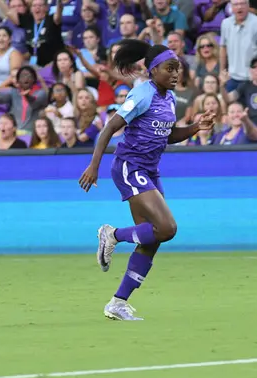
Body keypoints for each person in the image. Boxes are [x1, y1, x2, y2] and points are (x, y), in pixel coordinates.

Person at [78, 40, 215, 321]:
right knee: (167, 227)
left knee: (154, 238)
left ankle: (118, 302)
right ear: (153, 71)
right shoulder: (142, 94)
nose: (176, 74)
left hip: (150, 170)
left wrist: (195, 127)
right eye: (170, 68)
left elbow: (168, 135)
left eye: (178, 69)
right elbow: (109, 128)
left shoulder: (169, 98)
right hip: (130, 167)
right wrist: (94, 166)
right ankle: (112, 234)